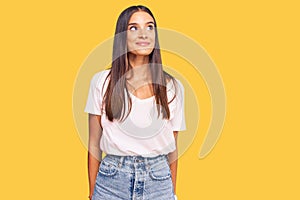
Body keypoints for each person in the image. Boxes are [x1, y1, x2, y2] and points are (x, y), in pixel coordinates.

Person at [84, 5, 186, 200]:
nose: (144, 34)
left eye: (150, 27)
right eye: (133, 28)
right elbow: (93, 143)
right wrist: (92, 192)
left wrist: (171, 192)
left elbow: (173, 148)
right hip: (111, 181)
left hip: (158, 180)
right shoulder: (102, 82)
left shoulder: (172, 86)